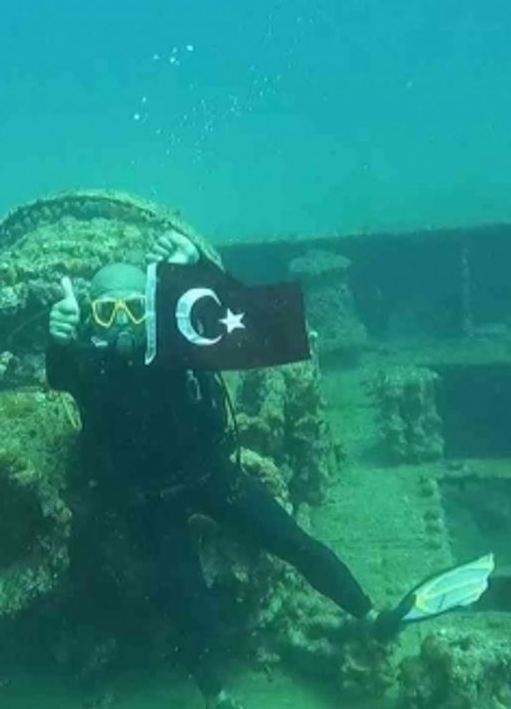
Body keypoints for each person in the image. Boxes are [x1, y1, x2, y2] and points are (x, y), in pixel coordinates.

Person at [45, 231, 400, 709]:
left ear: (152, 308)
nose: (121, 325)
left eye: (132, 308)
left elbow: (245, 319)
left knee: (292, 541)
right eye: (107, 313)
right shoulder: (87, 364)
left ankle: (371, 614)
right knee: (187, 597)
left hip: (212, 475)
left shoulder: (182, 340)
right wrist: (56, 337)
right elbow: (59, 373)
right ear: (89, 318)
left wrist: (198, 266)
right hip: (150, 500)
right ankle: (216, 693)